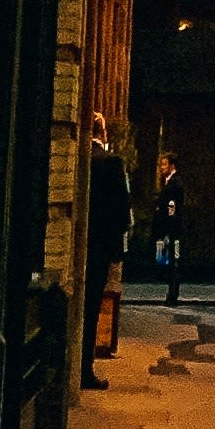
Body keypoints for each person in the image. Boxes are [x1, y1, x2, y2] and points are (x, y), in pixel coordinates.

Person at [81, 115, 131, 384]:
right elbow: (121, 211)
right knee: (90, 308)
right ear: (104, 134)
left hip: (80, 243)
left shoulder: (79, 158)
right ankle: (85, 368)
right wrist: (117, 250)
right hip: (99, 247)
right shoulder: (111, 162)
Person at [151, 159, 186, 309]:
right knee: (169, 260)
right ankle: (171, 292)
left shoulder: (175, 183)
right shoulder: (168, 181)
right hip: (168, 227)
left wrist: (168, 224)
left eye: (164, 165)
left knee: (173, 261)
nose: (161, 168)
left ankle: (173, 294)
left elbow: (172, 206)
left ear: (172, 165)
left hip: (171, 228)